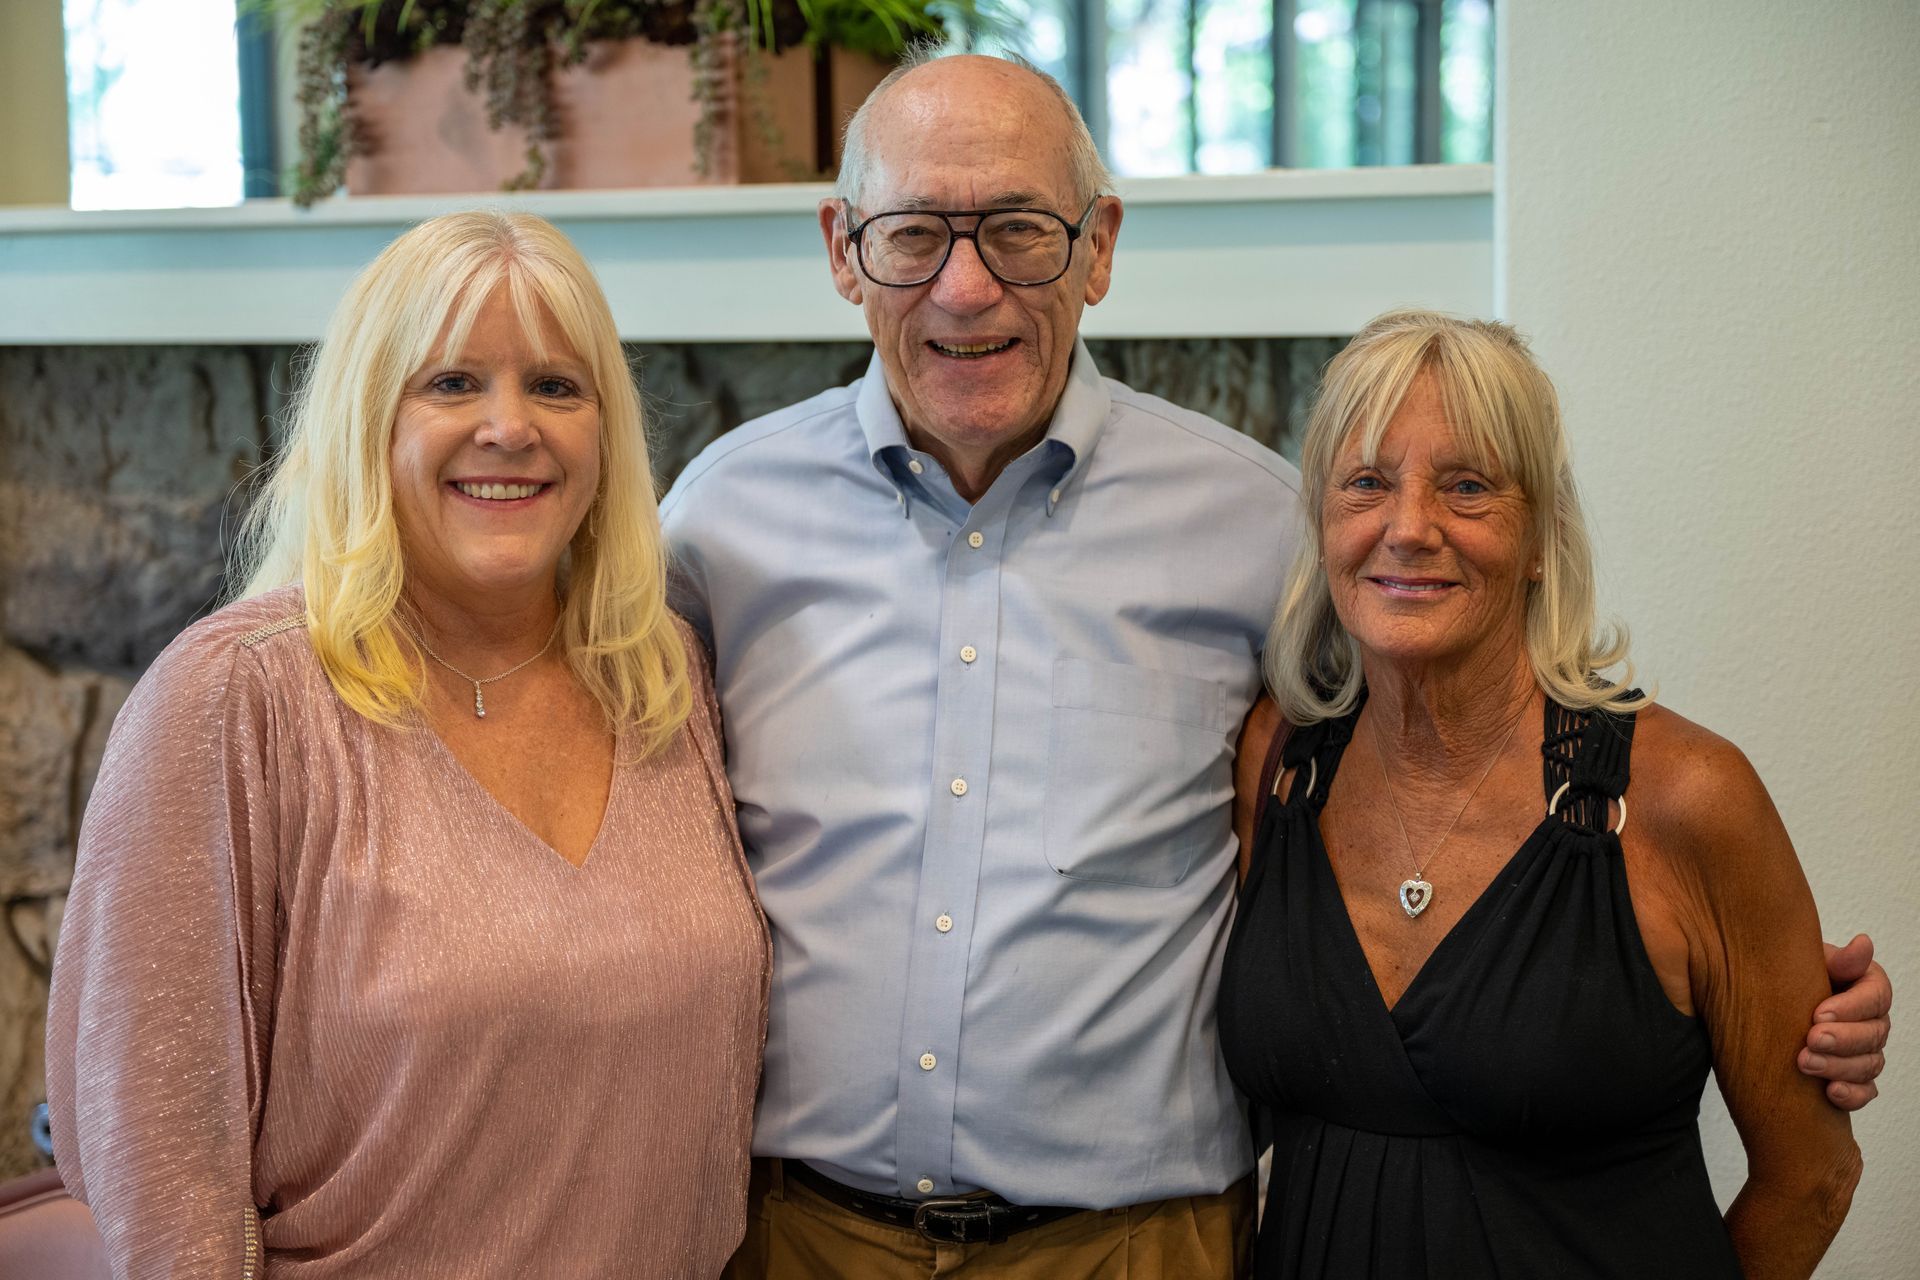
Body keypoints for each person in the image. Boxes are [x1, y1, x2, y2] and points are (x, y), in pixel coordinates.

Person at [660, 53, 1889, 1278]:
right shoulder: (718, 524)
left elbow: (1455, 753)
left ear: (1098, 247)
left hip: (1137, 1248)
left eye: (1022, 232)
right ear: (840, 245)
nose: (966, 286)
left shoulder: (1255, 526)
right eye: (915, 231)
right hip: (799, 1235)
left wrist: (1783, 1005)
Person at [45, 211, 769, 1278]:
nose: (510, 427)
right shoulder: (238, 697)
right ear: (366, 418)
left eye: (557, 387)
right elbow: (160, 1162)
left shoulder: (665, 678)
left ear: (607, 433)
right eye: (451, 383)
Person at [1219, 310, 1862, 1278]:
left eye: (1467, 485)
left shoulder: (1686, 795)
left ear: (1538, 537)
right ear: (1321, 520)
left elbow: (1811, 1176)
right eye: (1366, 482)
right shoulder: (1275, 762)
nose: (1408, 526)